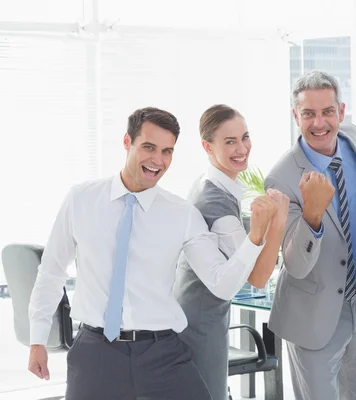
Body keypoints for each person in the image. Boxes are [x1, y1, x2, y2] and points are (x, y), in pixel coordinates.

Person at [27, 107, 277, 400]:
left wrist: (256, 236)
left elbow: (222, 283)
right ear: (126, 142)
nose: (158, 160)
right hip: (96, 351)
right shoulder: (81, 199)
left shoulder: (182, 214)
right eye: (149, 147)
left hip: (162, 354)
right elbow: (52, 272)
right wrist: (37, 340)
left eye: (167, 151)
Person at [264, 70, 356, 400]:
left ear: (341, 112)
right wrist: (312, 215)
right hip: (312, 311)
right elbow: (295, 264)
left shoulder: (352, 139)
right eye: (308, 114)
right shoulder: (282, 179)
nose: (320, 123)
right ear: (295, 116)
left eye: (327, 112)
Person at [173, 104, 289, 400]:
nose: (242, 148)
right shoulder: (216, 203)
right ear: (207, 147)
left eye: (245, 137)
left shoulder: (210, 184)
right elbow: (258, 278)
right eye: (229, 141)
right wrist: (278, 223)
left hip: (196, 317)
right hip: (201, 324)